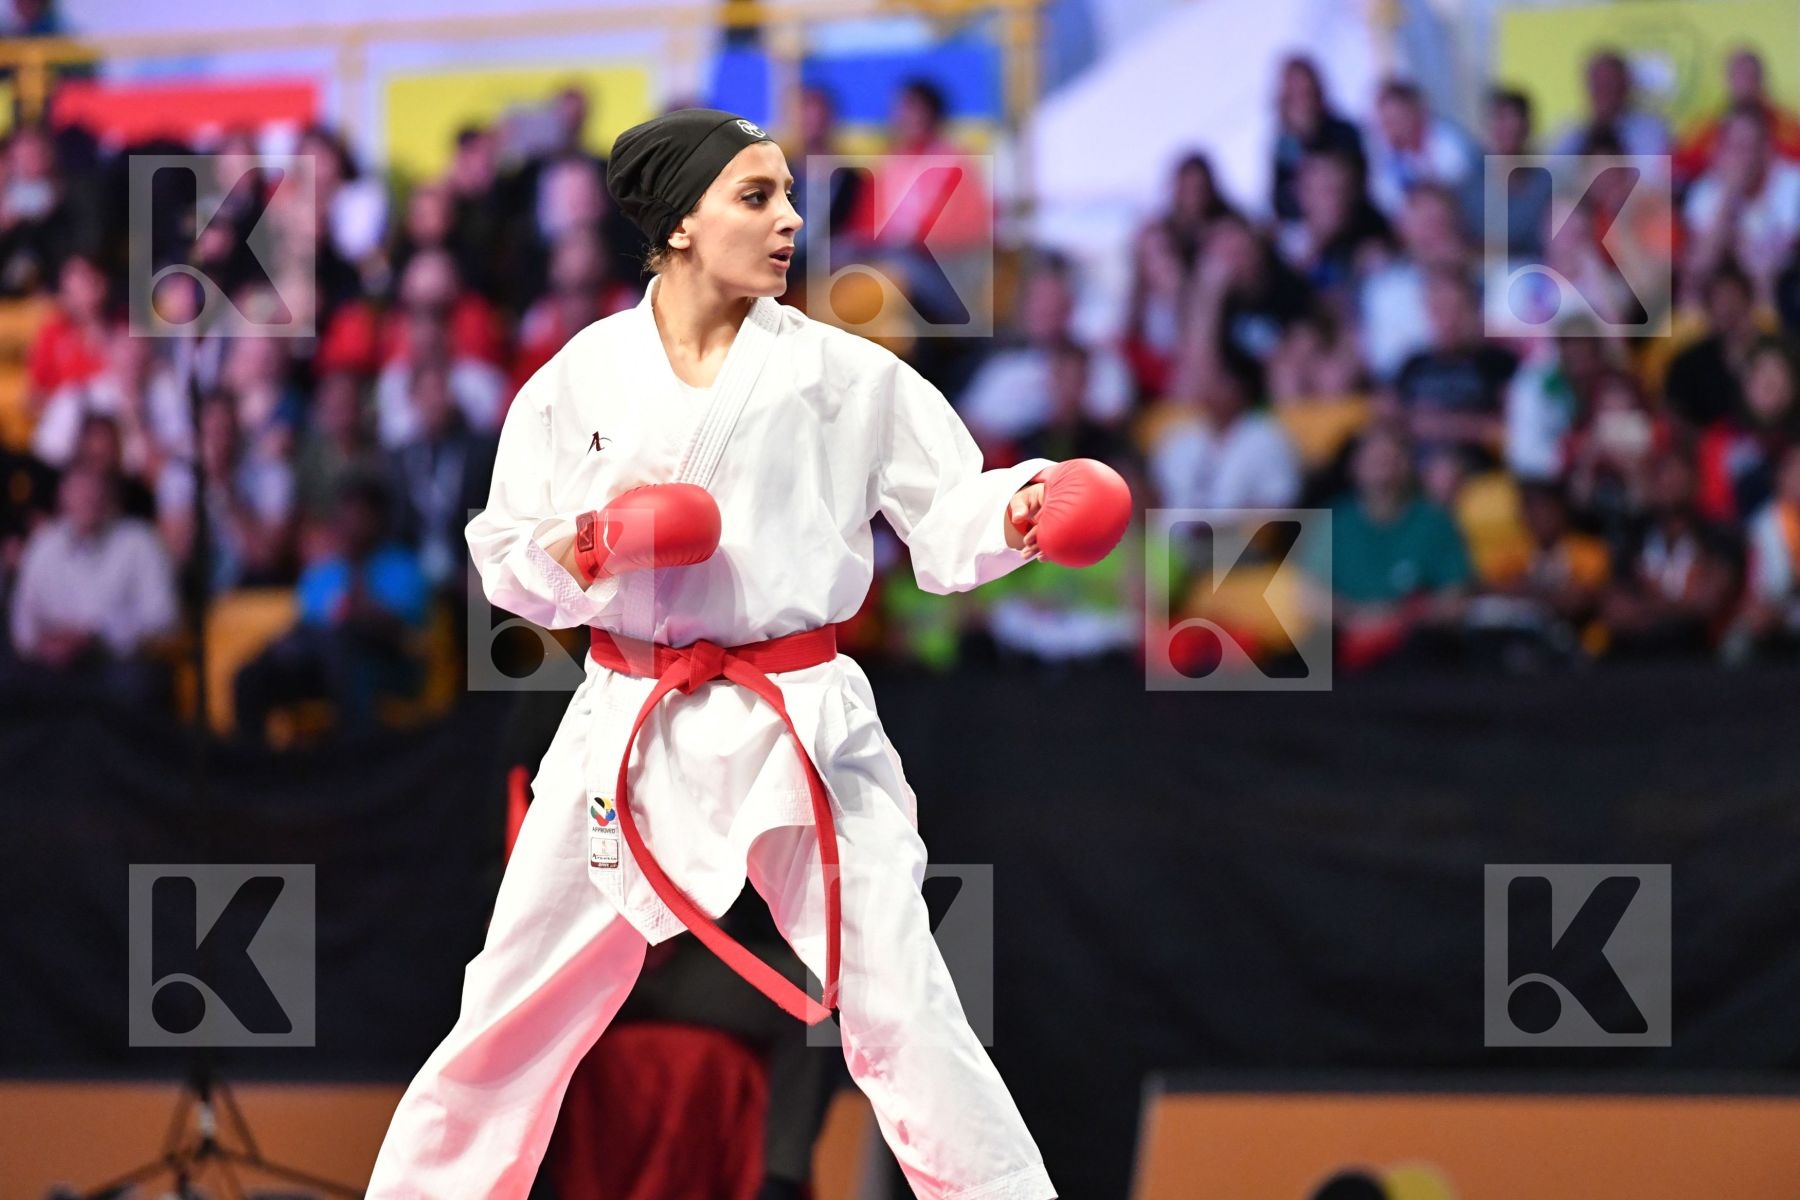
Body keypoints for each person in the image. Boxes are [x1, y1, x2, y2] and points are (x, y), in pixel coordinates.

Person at [366, 108, 1131, 1199]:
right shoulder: (582, 376)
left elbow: (948, 509)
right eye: (757, 196)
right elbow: (502, 552)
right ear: (679, 223)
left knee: (904, 1008)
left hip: (798, 715)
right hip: (626, 718)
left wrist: (1019, 510)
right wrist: (593, 543)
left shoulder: (843, 375)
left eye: (789, 196)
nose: (790, 221)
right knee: (508, 1016)